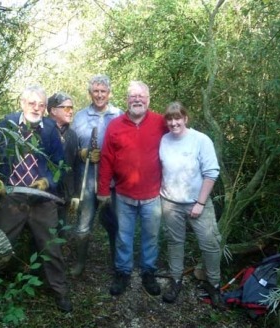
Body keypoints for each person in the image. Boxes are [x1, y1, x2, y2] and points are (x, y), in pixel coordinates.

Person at [0, 85, 72, 313]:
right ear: (22, 103)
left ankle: (60, 291)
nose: (37, 108)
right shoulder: (7, 125)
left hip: (41, 199)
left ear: (46, 108)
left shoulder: (50, 131)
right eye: (32, 103)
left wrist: (47, 181)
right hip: (11, 197)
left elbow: (60, 166)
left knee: (52, 247)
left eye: (41, 105)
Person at [97, 80, 168, 296]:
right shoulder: (115, 125)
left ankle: (148, 272)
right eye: (132, 96)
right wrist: (102, 190)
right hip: (124, 194)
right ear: (126, 100)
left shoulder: (160, 122)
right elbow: (107, 159)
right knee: (123, 237)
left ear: (148, 99)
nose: (137, 100)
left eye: (141, 96)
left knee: (150, 237)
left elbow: (179, 140)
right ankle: (123, 272)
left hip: (152, 195)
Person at [159, 101, 223, 308]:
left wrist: (200, 202)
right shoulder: (164, 140)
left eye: (178, 118)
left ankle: (214, 284)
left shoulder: (200, 140)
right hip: (170, 202)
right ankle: (176, 280)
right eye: (170, 119)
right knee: (175, 242)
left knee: (210, 244)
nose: (174, 123)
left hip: (198, 203)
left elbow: (211, 172)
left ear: (185, 118)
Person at [70, 74, 123, 276]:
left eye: (103, 91)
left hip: (114, 181)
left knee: (116, 223)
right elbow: (71, 147)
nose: (99, 95)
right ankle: (80, 263)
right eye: (96, 91)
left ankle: (118, 264)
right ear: (90, 93)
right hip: (88, 180)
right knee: (83, 225)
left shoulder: (119, 115)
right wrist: (82, 153)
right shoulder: (81, 117)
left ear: (109, 93)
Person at [47, 92, 79, 236]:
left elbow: (75, 166)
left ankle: (58, 257)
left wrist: (75, 194)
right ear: (53, 110)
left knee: (61, 232)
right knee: (45, 234)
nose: (71, 111)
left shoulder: (72, 135)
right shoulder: (41, 131)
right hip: (44, 194)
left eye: (71, 107)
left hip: (64, 195)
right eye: (66, 108)